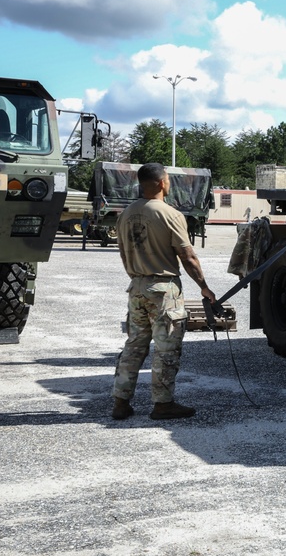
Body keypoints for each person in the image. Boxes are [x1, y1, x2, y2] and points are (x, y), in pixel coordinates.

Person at [111, 163, 216, 421]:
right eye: (168, 180)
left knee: (134, 346)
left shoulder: (125, 214)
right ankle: (163, 404)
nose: (169, 184)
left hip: (136, 287)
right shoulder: (171, 214)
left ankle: (120, 402)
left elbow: (123, 253)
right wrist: (204, 287)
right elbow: (187, 256)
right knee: (166, 350)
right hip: (163, 290)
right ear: (160, 183)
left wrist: (138, 277)